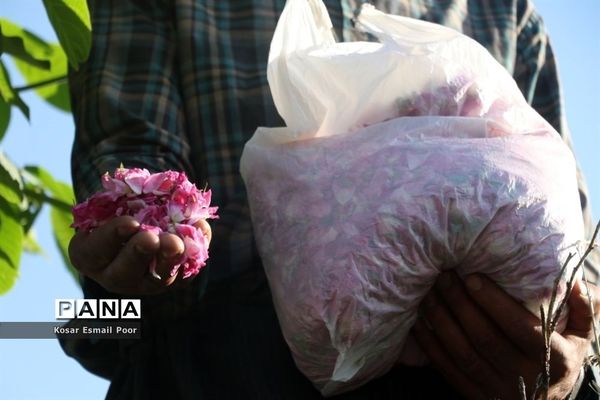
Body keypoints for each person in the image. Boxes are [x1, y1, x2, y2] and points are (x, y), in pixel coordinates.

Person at [62, 0, 600, 399]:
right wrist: (119, 269)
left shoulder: (503, 11)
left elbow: (580, 256)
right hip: (220, 373)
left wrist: (573, 369)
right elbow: (99, 312)